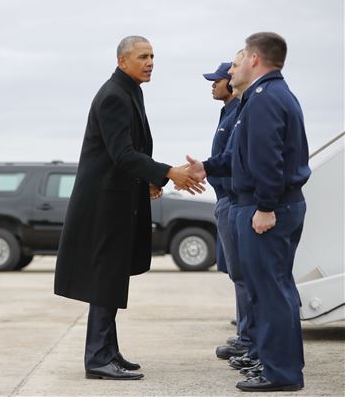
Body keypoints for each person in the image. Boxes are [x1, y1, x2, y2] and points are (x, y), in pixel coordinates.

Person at [54, 35, 204, 381]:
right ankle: (97, 358)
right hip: (104, 205)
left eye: (153, 56)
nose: (150, 62)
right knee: (106, 277)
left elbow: (125, 153)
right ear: (123, 61)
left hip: (118, 199)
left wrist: (149, 180)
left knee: (113, 276)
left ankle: (108, 351)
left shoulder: (129, 90)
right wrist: (168, 173)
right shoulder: (113, 96)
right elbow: (121, 154)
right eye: (143, 57)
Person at [189, 32, 310, 392]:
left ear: (255, 59)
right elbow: (240, 157)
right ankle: (281, 365)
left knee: (270, 292)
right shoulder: (263, 98)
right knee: (272, 289)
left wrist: (266, 207)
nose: (235, 65)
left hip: (266, 209)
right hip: (267, 204)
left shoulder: (265, 99)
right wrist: (206, 168)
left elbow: (268, 160)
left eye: (239, 59)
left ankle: (281, 373)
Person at [203, 61, 252, 360]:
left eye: (217, 80)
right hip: (226, 199)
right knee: (238, 274)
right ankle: (245, 334)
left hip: (233, 200)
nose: (213, 85)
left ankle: (247, 338)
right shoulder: (228, 113)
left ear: (229, 83)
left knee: (243, 274)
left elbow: (231, 159)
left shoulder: (238, 112)